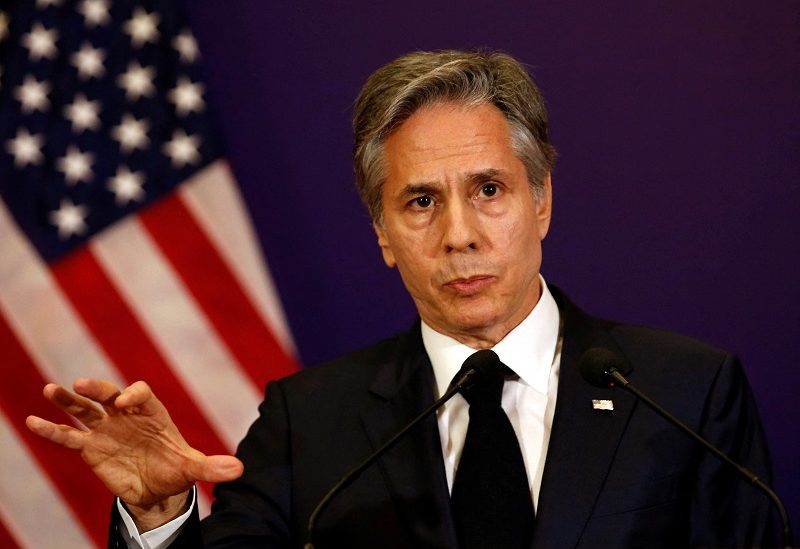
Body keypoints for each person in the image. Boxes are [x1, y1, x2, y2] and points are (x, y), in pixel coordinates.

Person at [27, 50, 774, 548]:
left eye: (489, 190)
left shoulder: (685, 393)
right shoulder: (307, 421)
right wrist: (161, 517)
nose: (460, 234)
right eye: (420, 201)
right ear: (383, 232)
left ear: (541, 200)